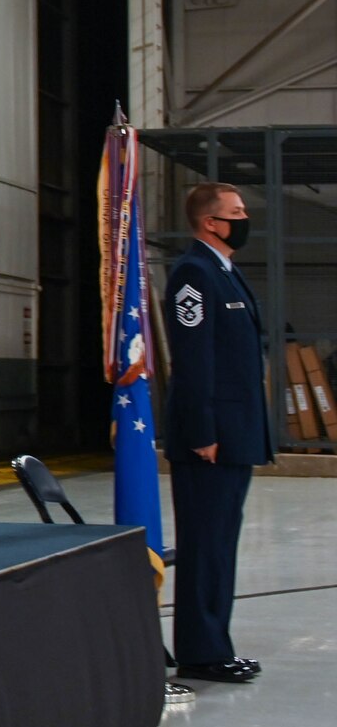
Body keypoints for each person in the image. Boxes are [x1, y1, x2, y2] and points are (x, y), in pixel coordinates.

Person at [164, 182, 273, 684]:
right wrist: (203, 430)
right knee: (205, 545)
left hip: (236, 434)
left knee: (221, 543)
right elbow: (193, 362)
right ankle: (202, 652)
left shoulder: (226, 272)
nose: (244, 218)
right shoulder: (194, 274)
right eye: (236, 212)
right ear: (211, 222)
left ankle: (214, 643)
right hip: (211, 439)